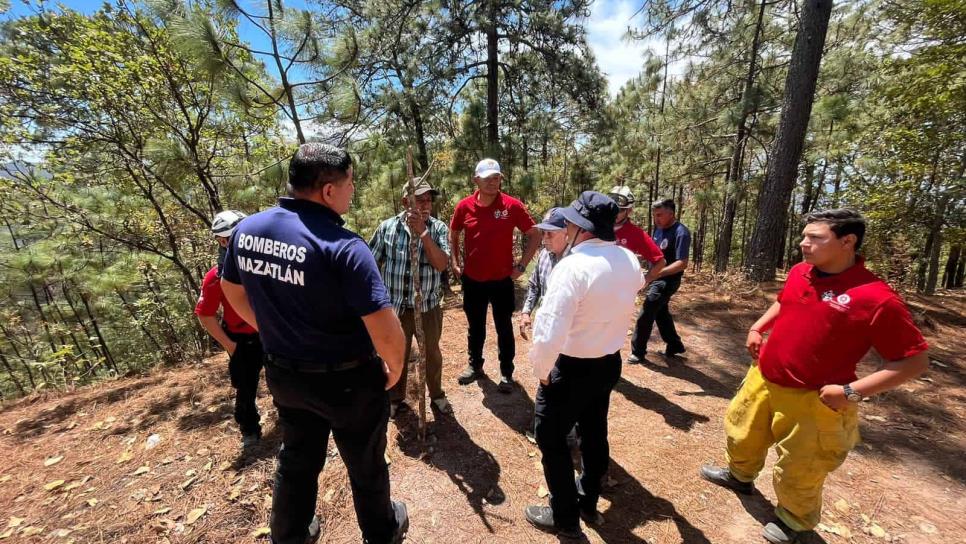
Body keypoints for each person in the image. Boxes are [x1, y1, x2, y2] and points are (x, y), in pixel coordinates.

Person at [700, 209, 929, 544]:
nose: (803, 243)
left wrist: (851, 392)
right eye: (804, 236)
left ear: (847, 241)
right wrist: (758, 326)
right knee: (742, 432)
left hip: (814, 398)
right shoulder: (800, 272)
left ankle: (794, 521)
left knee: (801, 466)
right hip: (764, 377)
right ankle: (740, 476)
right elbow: (785, 302)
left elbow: (914, 362)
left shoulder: (876, 298)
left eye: (815, 237)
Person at [220, 143, 409, 544]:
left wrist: (270, 328)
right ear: (328, 190)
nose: (353, 191)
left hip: (285, 374)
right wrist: (394, 366)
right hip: (348, 381)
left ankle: (289, 536)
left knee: (297, 459)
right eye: (350, 183)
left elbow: (230, 290)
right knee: (366, 463)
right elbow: (385, 326)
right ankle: (382, 532)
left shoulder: (247, 231)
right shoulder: (343, 246)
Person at [524, 191, 645, 538]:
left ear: (579, 226)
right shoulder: (628, 259)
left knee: (550, 437)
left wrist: (542, 372)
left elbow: (548, 331)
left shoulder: (573, 267)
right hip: (607, 363)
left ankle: (565, 515)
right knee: (594, 431)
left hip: (571, 367)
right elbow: (633, 288)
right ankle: (588, 499)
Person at [449, 158, 541, 392]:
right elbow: (454, 231)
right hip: (473, 279)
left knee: (503, 326)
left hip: (502, 280)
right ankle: (475, 365)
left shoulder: (512, 206)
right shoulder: (464, 206)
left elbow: (535, 234)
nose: (493, 182)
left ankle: (506, 372)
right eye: (488, 178)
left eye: (497, 177)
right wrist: (455, 261)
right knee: (475, 326)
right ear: (476, 180)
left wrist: (521, 266)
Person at [369, 178, 452, 417]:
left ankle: (436, 394)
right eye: (420, 200)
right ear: (406, 201)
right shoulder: (387, 228)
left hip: (427, 306)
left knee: (431, 353)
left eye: (429, 200)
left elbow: (441, 264)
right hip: (394, 308)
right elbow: (372, 264)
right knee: (396, 354)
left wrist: (424, 234)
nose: (426, 205)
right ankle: (395, 398)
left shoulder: (437, 228)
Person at [194, 210, 264, 449]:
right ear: (223, 241)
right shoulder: (215, 277)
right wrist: (230, 345)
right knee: (245, 387)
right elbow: (205, 314)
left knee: (284, 378)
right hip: (242, 339)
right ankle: (249, 429)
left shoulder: (263, 264)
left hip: (270, 334)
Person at [628, 198, 691, 363]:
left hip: (667, 280)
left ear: (671, 213)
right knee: (661, 313)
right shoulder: (659, 229)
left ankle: (638, 352)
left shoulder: (681, 232)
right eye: (654, 215)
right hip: (656, 277)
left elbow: (682, 263)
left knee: (647, 311)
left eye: (660, 215)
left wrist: (658, 273)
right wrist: (635, 256)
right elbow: (654, 253)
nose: (656, 219)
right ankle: (675, 345)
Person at [518, 207, 568, 341]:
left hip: (570, 333)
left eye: (550, 234)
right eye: (543, 232)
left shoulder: (578, 261)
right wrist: (526, 312)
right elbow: (534, 285)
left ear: (567, 234)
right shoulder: (544, 255)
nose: (544, 238)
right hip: (546, 327)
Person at [608, 185, 665, 268]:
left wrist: (645, 279)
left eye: (620, 210)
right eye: (612, 208)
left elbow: (660, 262)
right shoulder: (596, 227)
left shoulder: (637, 234)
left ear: (629, 210)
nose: (614, 213)